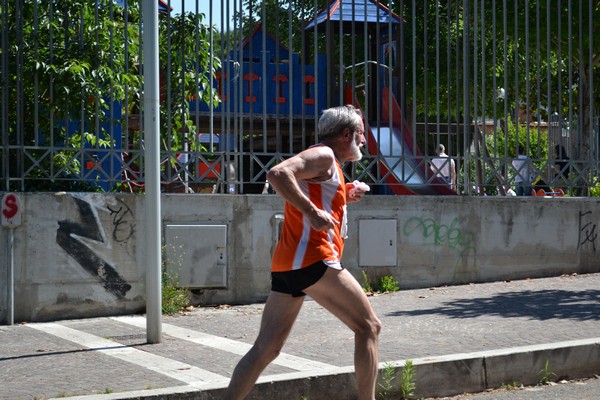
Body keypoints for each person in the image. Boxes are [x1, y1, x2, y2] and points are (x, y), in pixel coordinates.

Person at [224, 105, 381, 400]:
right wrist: (312, 212)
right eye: (360, 133)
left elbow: (315, 192)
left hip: (289, 265)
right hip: (314, 259)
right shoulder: (322, 155)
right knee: (369, 326)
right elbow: (278, 173)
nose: (363, 140)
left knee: (266, 348)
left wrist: (347, 194)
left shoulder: (329, 162)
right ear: (346, 133)